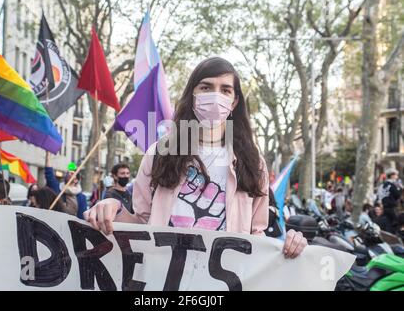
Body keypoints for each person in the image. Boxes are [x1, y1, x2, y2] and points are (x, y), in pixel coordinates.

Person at [84, 57, 307, 259]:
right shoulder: (159, 154)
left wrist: (290, 245)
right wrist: (114, 208)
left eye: (225, 90)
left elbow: (258, 236)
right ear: (193, 94)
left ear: (234, 102)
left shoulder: (252, 161)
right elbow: (143, 225)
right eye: (206, 87)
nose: (215, 96)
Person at [44, 153, 87, 219]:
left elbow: (82, 217)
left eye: (72, 173)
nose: (68, 174)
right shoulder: (57, 188)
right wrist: (48, 155)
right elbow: (49, 174)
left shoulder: (81, 198)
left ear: (76, 180)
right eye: (68, 172)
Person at [377, 168, 402, 232]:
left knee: (387, 224)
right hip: (392, 208)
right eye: (396, 175)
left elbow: (380, 196)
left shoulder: (382, 185)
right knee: (397, 224)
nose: (397, 177)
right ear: (392, 175)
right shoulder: (392, 185)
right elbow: (398, 195)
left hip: (385, 208)